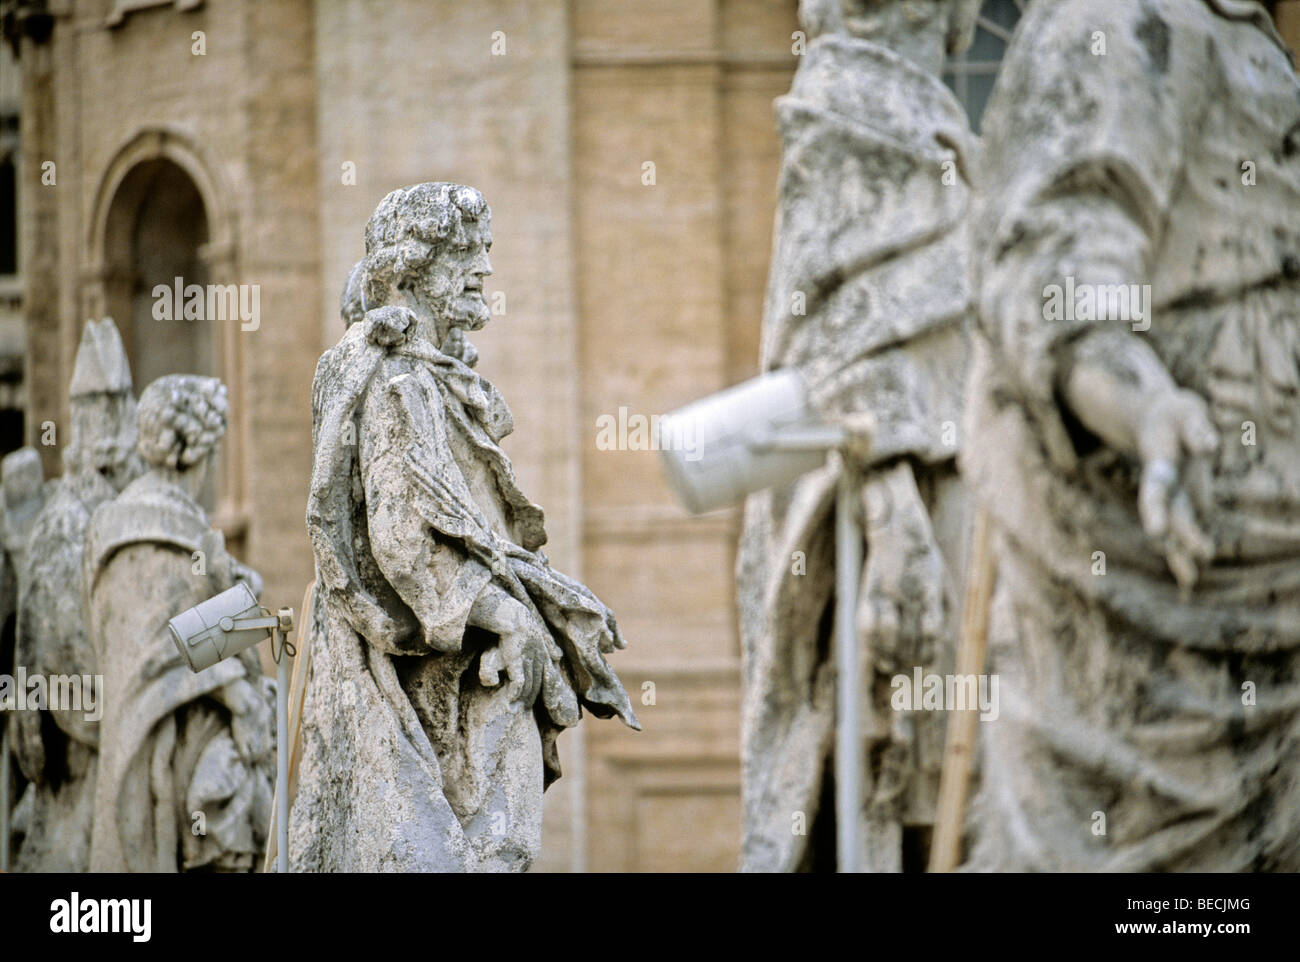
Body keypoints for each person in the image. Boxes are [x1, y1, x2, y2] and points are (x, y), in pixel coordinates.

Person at [962, 0, 1300, 870]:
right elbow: (1057, 258)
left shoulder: (1243, 35)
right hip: (1170, 563)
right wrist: (1142, 403)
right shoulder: (1122, 14)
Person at [292, 183, 637, 872]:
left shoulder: (428, 375)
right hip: (425, 674)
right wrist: (501, 612)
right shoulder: (397, 378)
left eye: (485, 253)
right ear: (415, 268)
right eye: (466, 255)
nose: (484, 271)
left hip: (450, 671)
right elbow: (401, 538)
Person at [85, 374, 273, 872]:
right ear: (192, 451)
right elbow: (170, 644)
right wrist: (240, 696)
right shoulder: (168, 526)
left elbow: (171, 625)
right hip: (174, 735)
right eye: (212, 452)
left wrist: (239, 597)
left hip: (139, 725)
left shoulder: (112, 521)